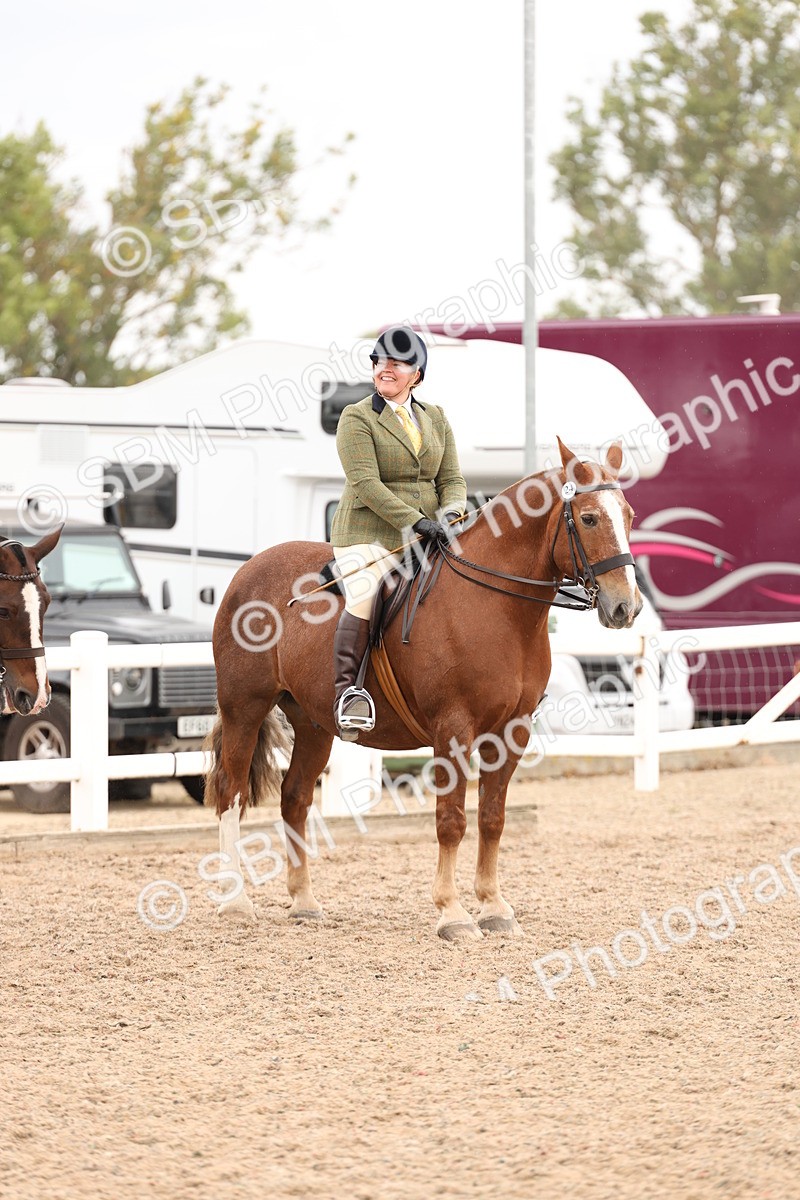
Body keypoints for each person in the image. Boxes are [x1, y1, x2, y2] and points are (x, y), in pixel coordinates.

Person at [330, 326, 468, 740]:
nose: (384, 368)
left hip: (428, 534)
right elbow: (366, 484)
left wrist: (450, 513)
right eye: (380, 361)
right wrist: (416, 520)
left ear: (416, 375)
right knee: (364, 590)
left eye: (396, 363)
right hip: (368, 533)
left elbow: (454, 479)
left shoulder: (436, 417)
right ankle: (347, 693)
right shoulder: (356, 417)